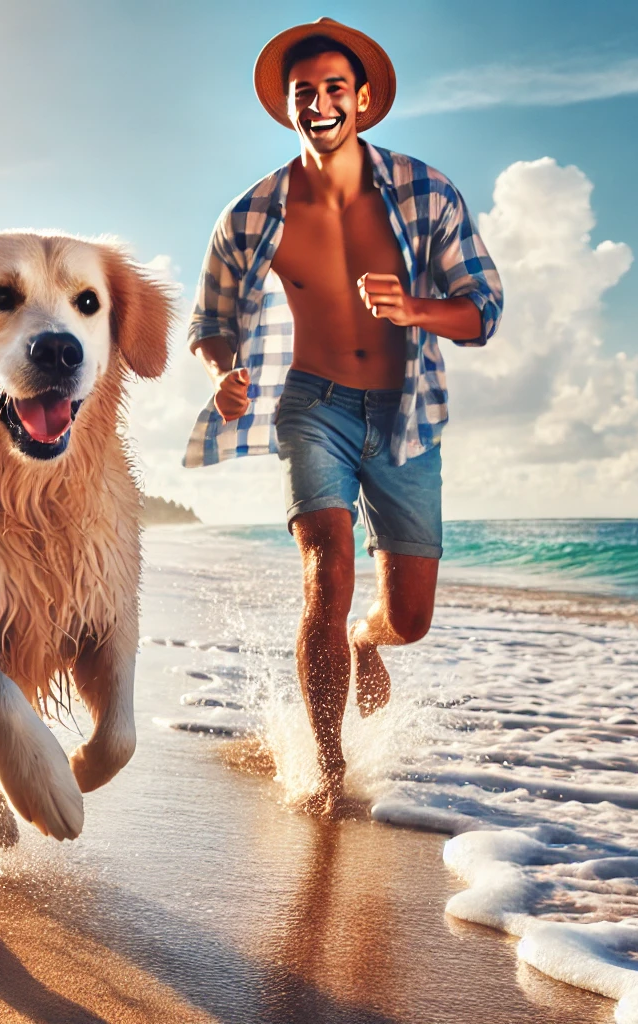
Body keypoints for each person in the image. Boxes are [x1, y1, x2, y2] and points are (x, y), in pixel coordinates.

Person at [185, 18, 503, 817]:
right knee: (325, 571)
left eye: (335, 89)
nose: (320, 104)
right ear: (289, 108)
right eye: (306, 93)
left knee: (410, 617)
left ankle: (368, 641)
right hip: (309, 406)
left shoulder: (427, 192)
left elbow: (484, 310)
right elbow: (210, 321)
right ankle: (328, 767)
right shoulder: (252, 213)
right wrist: (225, 373)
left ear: (362, 100)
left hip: (404, 414)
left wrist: (419, 307)